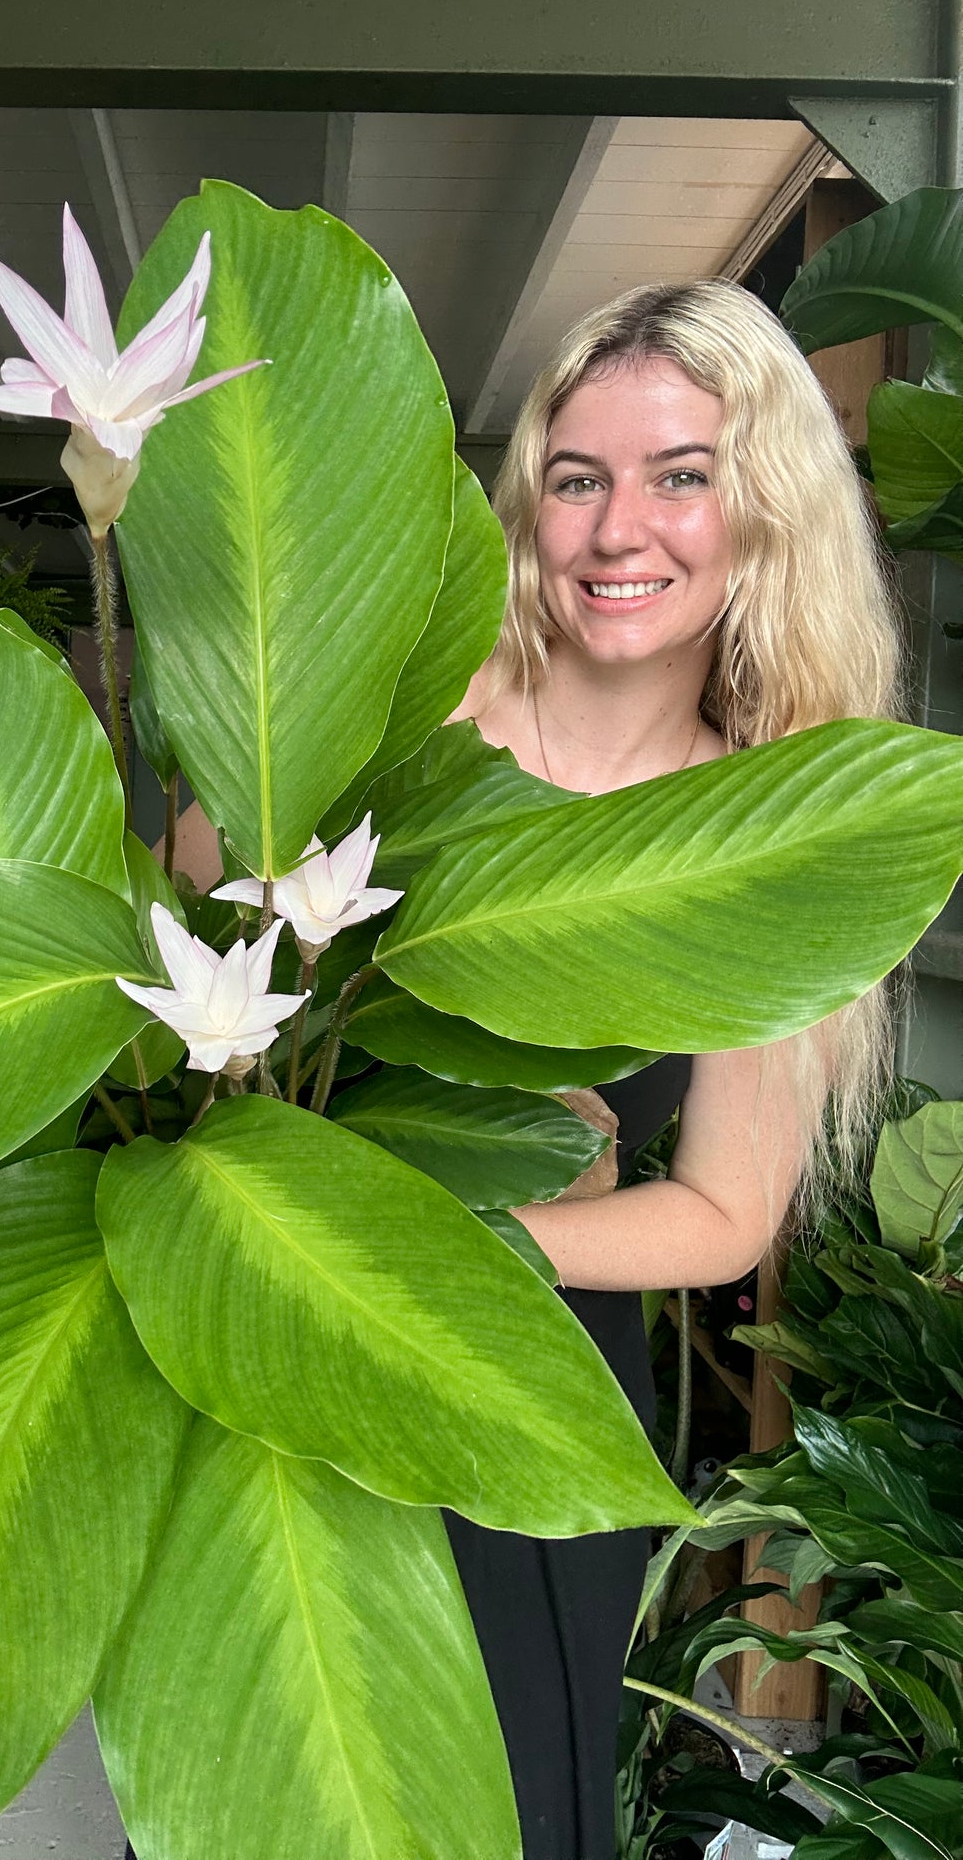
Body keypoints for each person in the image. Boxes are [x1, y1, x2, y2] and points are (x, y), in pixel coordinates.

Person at [156, 277, 903, 1858]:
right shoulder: (404, 711)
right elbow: (199, 892)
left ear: (762, 509)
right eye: (577, 479)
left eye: (679, 474)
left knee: (501, 1802)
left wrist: (442, 1249)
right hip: (258, 1323)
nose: (616, 529)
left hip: (517, 1384)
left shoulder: (758, 832)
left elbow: (719, 1214)